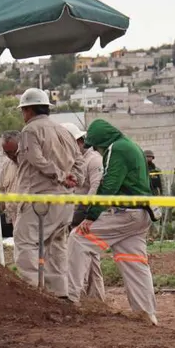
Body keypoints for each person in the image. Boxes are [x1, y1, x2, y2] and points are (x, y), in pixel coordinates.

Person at [66, 119, 158, 325]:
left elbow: (109, 185)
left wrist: (91, 216)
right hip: (140, 215)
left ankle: (70, 298)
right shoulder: (131, 146)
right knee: (134, 264)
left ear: (102, 142)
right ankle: (147, 315)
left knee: (77, 238)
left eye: (97, 147)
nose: (96, 151)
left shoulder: (116, 149)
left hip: (125, 214)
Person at [12, 88, 83, 297]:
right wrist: (74, 179)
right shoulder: (64, 131)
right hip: (65, 200)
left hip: (40, 199)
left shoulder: (30, 131)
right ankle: (60, 293)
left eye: (23, 110)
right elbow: (79, 161)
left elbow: (37, 160)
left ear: (28, 110)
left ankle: (33, 294)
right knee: (56, 246)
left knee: (25, 242)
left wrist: (61, 175)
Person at [64, 124, 104, 301]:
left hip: (88, 214)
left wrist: (87, 213)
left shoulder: (93, 160)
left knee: (87, 255)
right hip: (79, 211)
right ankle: (94, 297)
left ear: (79, 142)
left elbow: (96, 187)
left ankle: (86, 296)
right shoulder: (77, 161)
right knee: (89, 256)